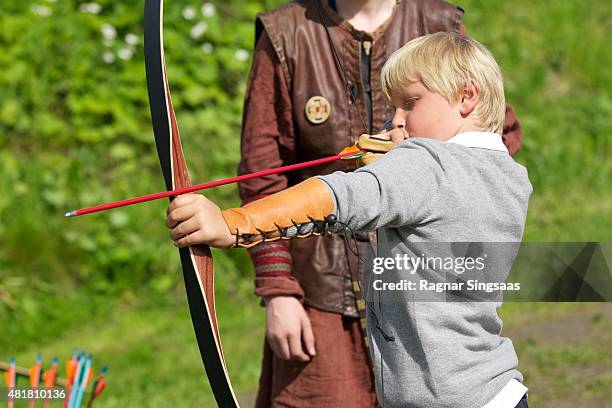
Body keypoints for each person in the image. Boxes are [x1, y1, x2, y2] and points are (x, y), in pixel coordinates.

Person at [167, 31, 531, 407]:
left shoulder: (426, 163)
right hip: (497, 391)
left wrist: (231, 223)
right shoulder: (508, 176)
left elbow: (334, 198)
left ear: (466, 96)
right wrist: (389, 180)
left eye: (411, 103)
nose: (396, 123)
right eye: (395, 109)